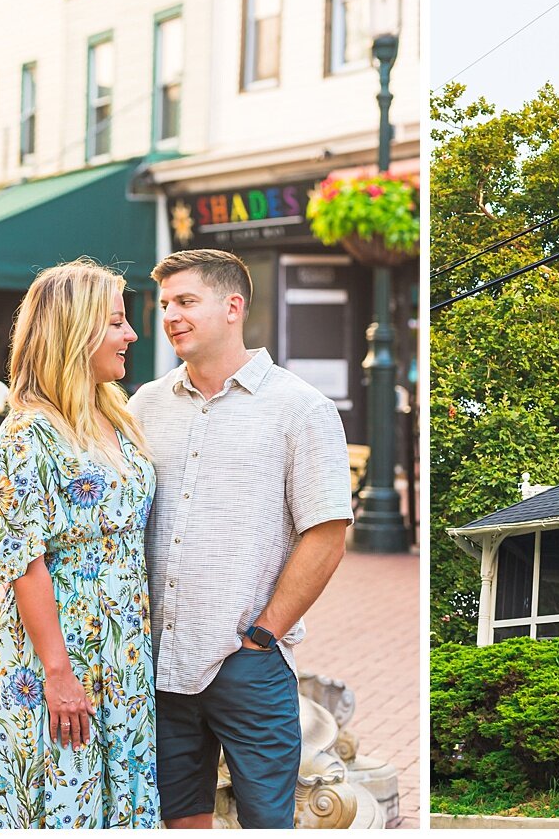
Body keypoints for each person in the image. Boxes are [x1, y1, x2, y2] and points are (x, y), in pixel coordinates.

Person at [131, 249, 352, 829]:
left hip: (245, 663)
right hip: (158, 661)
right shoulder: (145, 405)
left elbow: (326, 534)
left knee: (266, 825)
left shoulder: (301, 408)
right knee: (177, 821)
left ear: (233, 307)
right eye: (164, 305)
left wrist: (263, 634)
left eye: (185, 301)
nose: (171, 316)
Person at [0, 259, 159, 828]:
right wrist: (58, 673)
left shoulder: (117, 414)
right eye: (116, 323)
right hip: (59, 658)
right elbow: (22, 562)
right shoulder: (29, 431)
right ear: (74, 333)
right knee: (63, 808)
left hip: (123, 656)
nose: (130, 335)